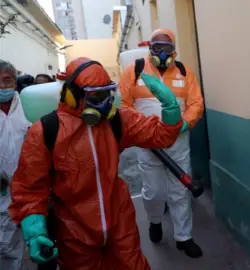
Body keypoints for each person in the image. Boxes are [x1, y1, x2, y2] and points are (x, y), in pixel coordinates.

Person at [8, 57, 184, 269]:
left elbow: (161, 136)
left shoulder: (116, 121)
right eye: (96, 96)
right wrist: (35, 230)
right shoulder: (46, 130)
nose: (105, 103)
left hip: (119, 221)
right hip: (73, 228)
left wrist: (171, 109)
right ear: (72, 95)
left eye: (107, 93)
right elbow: (29, 188)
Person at [119, 28, 204, 258]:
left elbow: (196, 103)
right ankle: (155, 221)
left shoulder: (185, 72)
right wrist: (142, 130)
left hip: (178, 144)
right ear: (150, 49)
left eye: (166, 48)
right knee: (154, 192)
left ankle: (183, 237)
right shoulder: (134, 71)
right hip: (148, 146)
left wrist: (184, 124)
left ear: (173, 51)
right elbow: (123, 105)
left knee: (179, 191)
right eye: (157, 47)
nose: (162, 53)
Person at [0, 60, 30, 269]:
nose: (2, 86)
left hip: (29, 183)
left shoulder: (29, 105)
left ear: (15, 82)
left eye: (7, 80)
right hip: (1, 186)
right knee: (4, 241)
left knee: (29, 233)